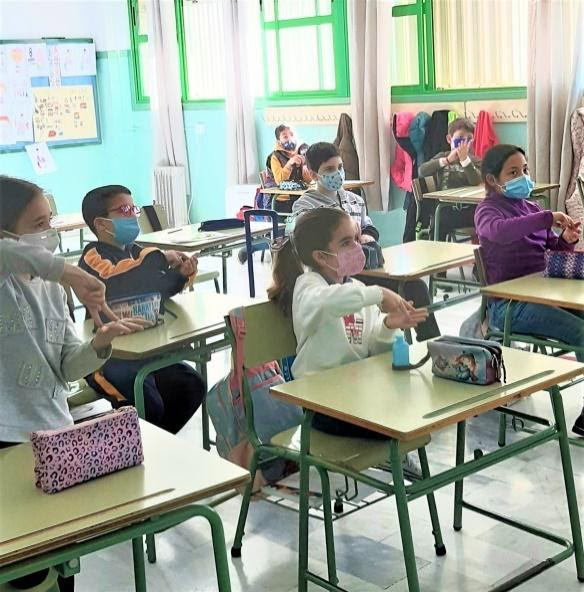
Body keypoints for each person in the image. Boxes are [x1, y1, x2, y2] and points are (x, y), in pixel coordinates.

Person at [0, 175, 148, 592]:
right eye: (38, 224)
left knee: (59, 552)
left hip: (53, 430)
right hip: (8, 437)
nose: (49, 233)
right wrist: (71, 274)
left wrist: (100, 343)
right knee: (24, 565)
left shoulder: (52, 288)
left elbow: (66, 367)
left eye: (50, 221)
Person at [268, 207, 427, 439]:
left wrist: (388, 326)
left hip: (355, 393)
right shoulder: (308, 287)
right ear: (320, 256)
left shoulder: (358, 289)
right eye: (345, 242)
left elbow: (374, 348)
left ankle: (396, 451)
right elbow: (327, 302)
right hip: (321, 403)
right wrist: (380, 293)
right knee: (396, 423)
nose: (356, 247)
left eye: (356, 238)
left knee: (413, 407)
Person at [474, 144, 584, 435]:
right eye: (513, 172)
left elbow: (551, 252)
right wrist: (547, 217)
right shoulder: (487, 211)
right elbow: (501, 232)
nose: (523, 177)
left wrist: (566, 240)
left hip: (543, 294)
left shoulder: (531, 208)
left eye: (524, 170)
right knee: (582, 334)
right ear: (492, 180)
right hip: (510, 305)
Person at [78, 185, 206, 434]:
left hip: (147, 347)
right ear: (101, 223)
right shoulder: (93, 257)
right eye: (124, 210)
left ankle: (158, 444)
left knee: (191, 386)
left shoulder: (137, 251)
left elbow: (157, 287)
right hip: (110, 356)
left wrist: (180, 275)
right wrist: (161, 257)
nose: (133, 216)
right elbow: (115, 282)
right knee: (148, 405)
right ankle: (143, 446)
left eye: (133, 209)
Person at [292, 141, 440, 342]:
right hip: (331, 274)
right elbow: (305, 240)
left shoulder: (354, 200)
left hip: (362, 270)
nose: (337, 173)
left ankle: (432, 345)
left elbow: (368, 227)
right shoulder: (305, 206)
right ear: (313, 173)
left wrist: (367, 236)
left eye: (340, 167)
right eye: (329, 169)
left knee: (415, 286)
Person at [418, 117, 481, 241]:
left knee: (488, 217)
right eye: (460, 138)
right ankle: (437, 251)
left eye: (468, 139)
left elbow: (476, 181)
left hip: (470, 210)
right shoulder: (442, 156)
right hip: (445, 209)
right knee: (439, 222)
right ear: (449, 139)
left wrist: (465, 161)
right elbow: (422, 171)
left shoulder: (475, 160)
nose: (464, 143)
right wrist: (446, 160)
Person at [268, 124, 312, 213]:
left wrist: (306, 169)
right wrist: (289, 165)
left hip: (303, 197)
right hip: (284, 200)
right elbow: (280, 181)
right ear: (279, 141)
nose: (290, 138)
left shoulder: (304, 151)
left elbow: (309, 180)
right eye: (285, 137)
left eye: (292, 134)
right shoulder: (275, 156)